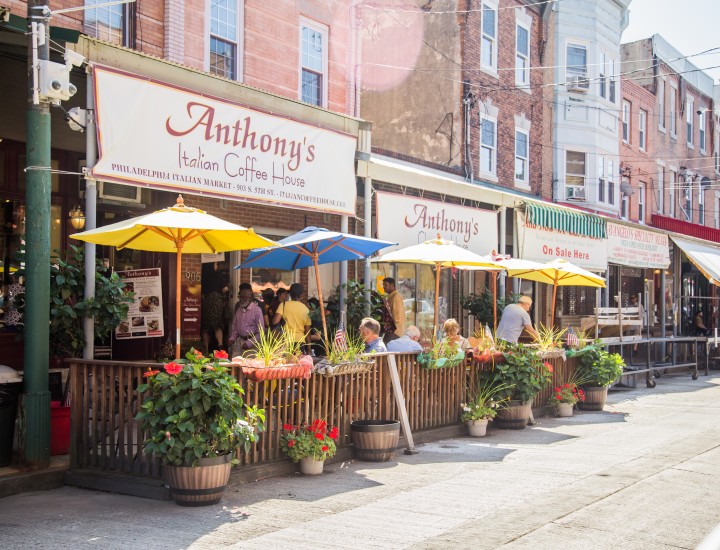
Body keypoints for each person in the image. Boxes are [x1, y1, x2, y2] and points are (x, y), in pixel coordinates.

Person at [228, 286, 265, 357]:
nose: (241, 299)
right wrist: (232, 339)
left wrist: (249, 343)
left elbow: (261, 332)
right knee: (235, 365)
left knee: (247, 366)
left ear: (251, 298)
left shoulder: (257, 310)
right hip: (239, 342)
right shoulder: (239, 310)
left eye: (244, 297)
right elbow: (235, 327)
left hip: (252, 343)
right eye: (240, 297)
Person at [272, 283, 311, 349]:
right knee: (298, 359)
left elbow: (275, 321)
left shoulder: (283, 305)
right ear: (301, 295)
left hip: (285, 340)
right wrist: (309, 349)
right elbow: (307, 332)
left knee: (285, 359)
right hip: (300, 341)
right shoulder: (306, 309)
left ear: (290, 293)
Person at [201, 261, 228, 352]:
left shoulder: (203, 275)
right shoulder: (218, 275)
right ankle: (220, 346)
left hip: (206, 301)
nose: (217, 265)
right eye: (216, 264)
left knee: (206, 326)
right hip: (216, 301)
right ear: (213, 265)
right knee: (218, 325)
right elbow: (225, 289)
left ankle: (206, 349)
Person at [382, 277, 405, 342]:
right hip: (392, 330)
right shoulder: (391, 296)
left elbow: (396, 318)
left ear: (392, 285)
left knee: (388, 350)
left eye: (385, 285)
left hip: (394, 331)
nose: (383, 287)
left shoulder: (395, 297)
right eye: (383, 285)